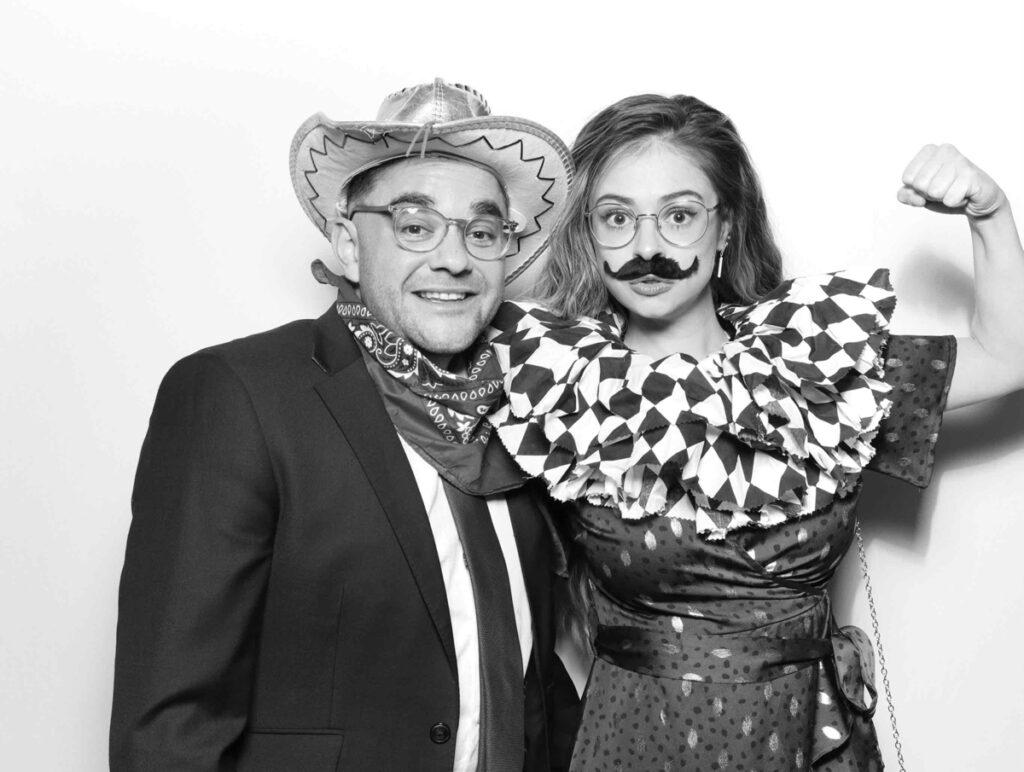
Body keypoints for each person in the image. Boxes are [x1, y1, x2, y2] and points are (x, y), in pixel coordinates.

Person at [487, 93, 1024, 771]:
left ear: (727, 227)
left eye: (679, 215)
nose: (647, 247)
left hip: (810, 739)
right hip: (640, 744)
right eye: (617, 219)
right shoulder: (558, 380)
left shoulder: (813, 364)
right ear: (588, 233)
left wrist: (990, 211)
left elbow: (1009, 357)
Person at [110, 79, 580, 772]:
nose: (454, 258)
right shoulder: (237, 397)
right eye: (415, 226)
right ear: (349, 243)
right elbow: (169, 730)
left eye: (482, 232)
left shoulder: (531, 406)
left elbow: (534, 677)